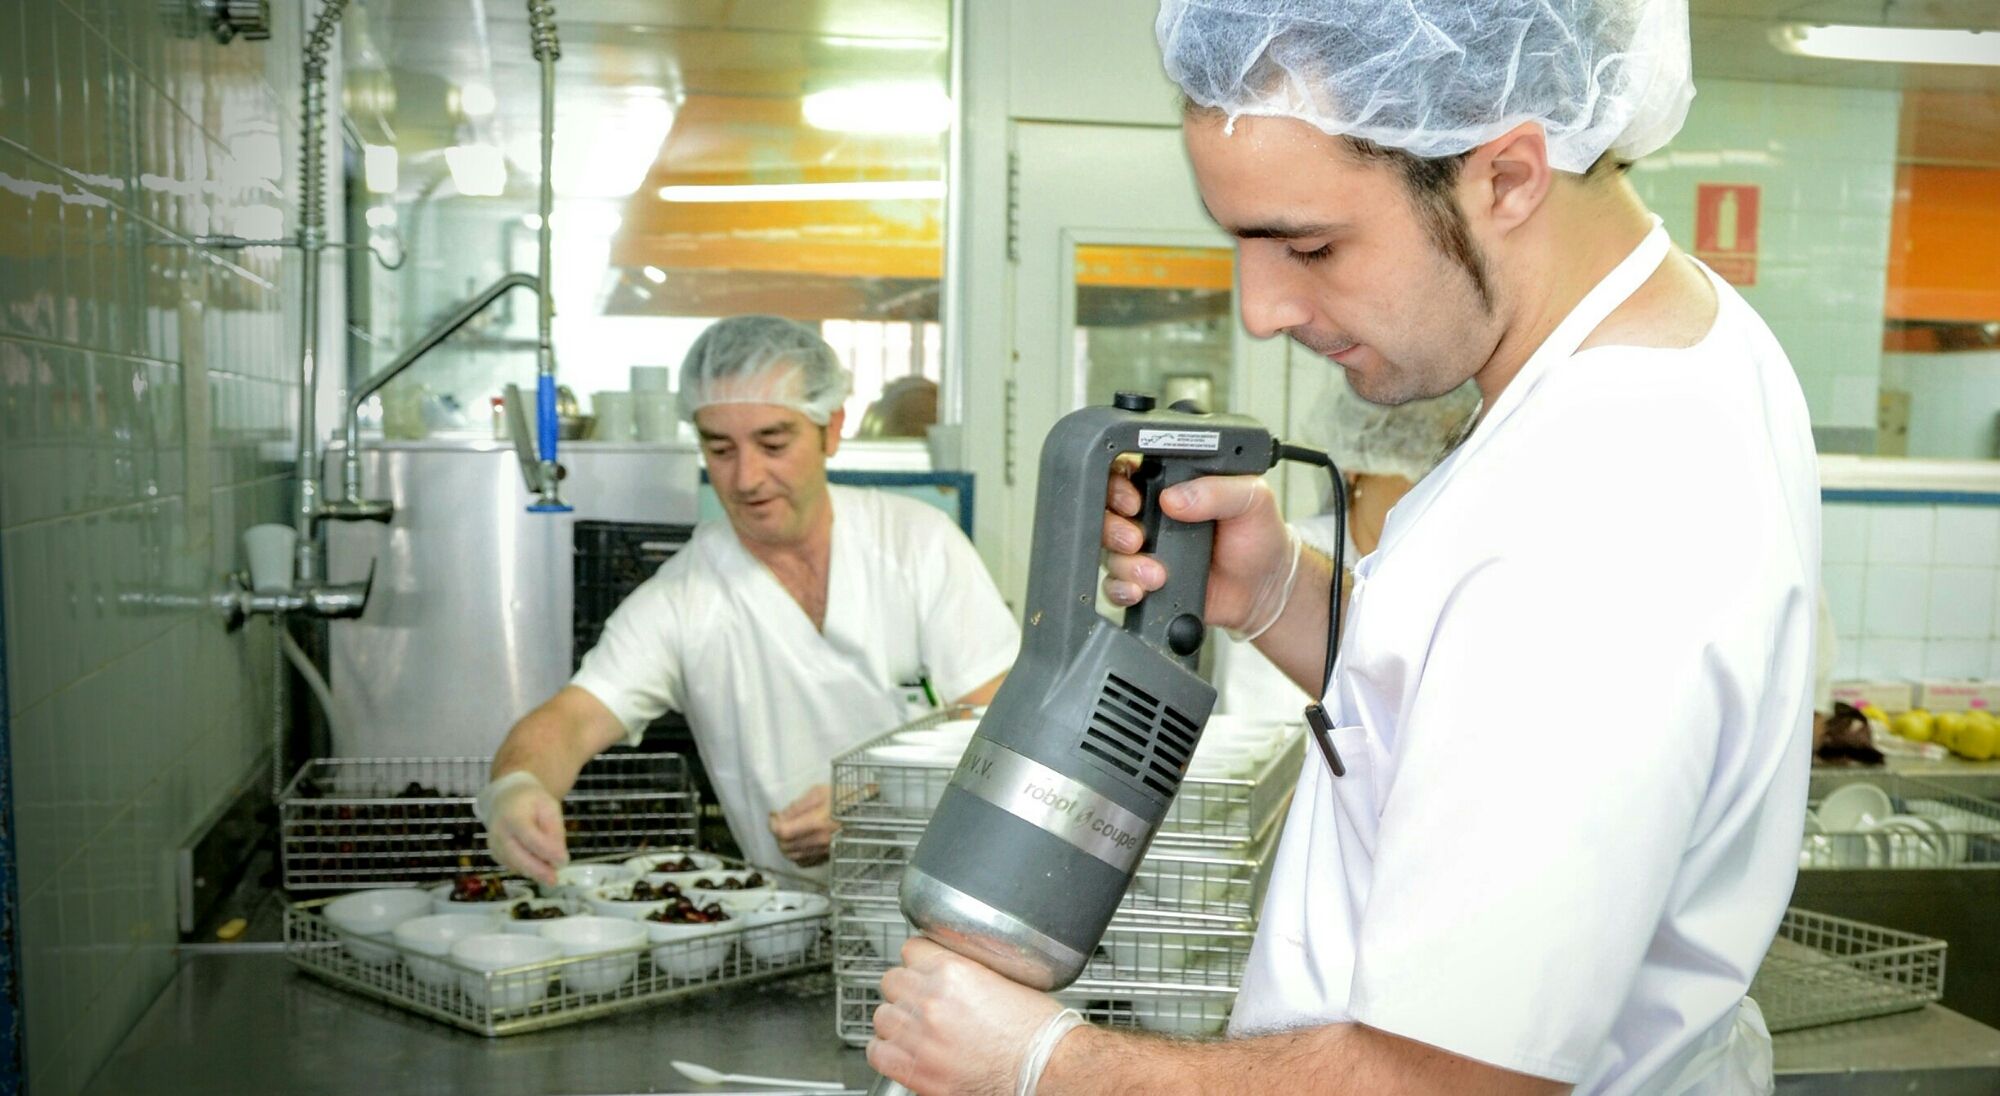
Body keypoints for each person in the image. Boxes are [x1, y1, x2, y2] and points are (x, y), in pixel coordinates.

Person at [867, 1, 1817, 1093]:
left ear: (1505, 175)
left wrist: (1040, 1060)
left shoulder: (1594, 507)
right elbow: (1477, 696)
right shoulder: (1672, 346)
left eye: (1309, 244)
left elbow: (1453, 1083)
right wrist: (1275, 592)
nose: (1262, 308)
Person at [477, 316, 1017, 882]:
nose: (746, 478)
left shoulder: (916, 543)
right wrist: (517, 787)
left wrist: (869, 791)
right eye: (720, 448)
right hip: (795, 923)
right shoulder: (685, 598)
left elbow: (999, 709)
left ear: (830, 429)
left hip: (960, 902)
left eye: (773, 443)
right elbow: (571, 720)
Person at [1215, 376, 1478, 719]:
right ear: (1355, 466)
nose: (1434, 500)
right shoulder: (1286, 560)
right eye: (1418, 471)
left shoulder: (1463, 570)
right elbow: (1268, 733)